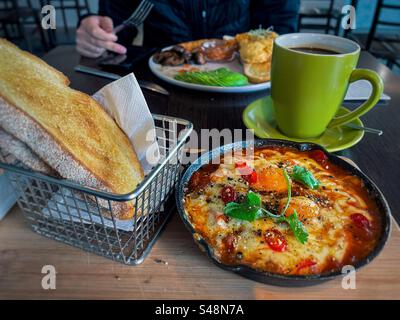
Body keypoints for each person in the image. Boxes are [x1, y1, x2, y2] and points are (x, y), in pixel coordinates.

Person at [76, 0, 300, 58]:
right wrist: (97, 36)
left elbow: (279, 25)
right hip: (160, 89)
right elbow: (115, 28)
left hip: (242, 89)